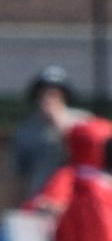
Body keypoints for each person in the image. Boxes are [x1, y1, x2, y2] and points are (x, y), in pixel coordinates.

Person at [9, 70, 90, 203]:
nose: (48, 99)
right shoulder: (27, 129)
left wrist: (59, 124)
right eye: (43, 94)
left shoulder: (82, 121)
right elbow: (18, 173)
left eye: (54, 94)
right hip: (40, 199)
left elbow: (88, 158)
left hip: (74, 198)